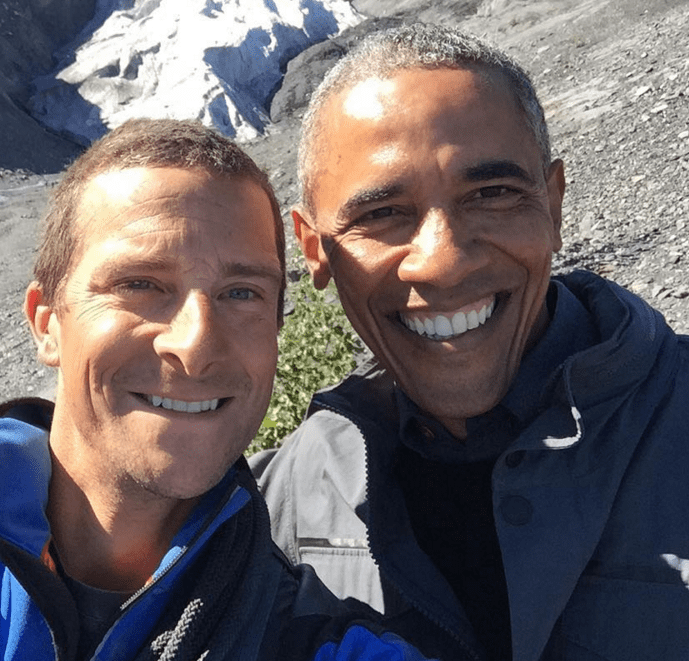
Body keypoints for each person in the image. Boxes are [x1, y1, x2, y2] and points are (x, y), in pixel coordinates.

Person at [0, 119, 431, 661]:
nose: (194, 343)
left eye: (242, 293)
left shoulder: (311, 640)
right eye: (140, 284)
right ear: (46, 324)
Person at [251, 22, 689, 661]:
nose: (443, 262)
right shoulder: (274, 509)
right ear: (315, 250)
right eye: (382, 214)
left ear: (554, 203)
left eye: (492, 194)